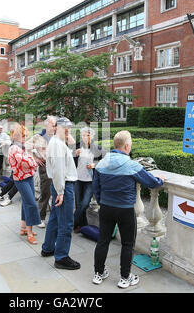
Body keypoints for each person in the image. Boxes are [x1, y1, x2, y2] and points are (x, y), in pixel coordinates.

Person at [92, 130, 164, 289]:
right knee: (127, 244)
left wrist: (102, 201)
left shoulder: (102, 163)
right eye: (129, 145)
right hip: (125, 209)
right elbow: (151, 183)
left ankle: (98, 273)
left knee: (102, 241)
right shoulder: (132, 165)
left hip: (106, 208)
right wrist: (160, 180)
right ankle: (125, 278)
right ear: (126, 146)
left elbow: (95, 187)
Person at [41, 117, 80, 270]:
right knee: (66, 223)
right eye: (66, 128)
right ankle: (62, 257)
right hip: (64, 186)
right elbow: (58, 171)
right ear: (58, 128)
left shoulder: (56, 143)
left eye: (69, 128)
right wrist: (61, 192)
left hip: (59, 185)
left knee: (56, 219)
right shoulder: (57, 144)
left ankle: (48, 248)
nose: (68, 130)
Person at [8, 124, 41, 245]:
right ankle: (30, 232)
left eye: (26, 135)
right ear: (16, 135)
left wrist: (32, 160)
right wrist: (32, 161)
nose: (25, 137)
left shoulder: (21, 147)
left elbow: (30, 160)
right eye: (23, 135)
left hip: (28, 177)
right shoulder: (14, 148)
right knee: (31, 204)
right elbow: (29, 162)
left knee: (26, 203)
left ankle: (23, 228)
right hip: (21, 179)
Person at [25, 116, 57, 229]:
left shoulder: (58, 137)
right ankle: (41, 218)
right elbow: (26, 147)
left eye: (55, 125)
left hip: (57, 166)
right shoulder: (38, 137)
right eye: (53, 125)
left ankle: (55, 218)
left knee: (57, 193)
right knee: (45, 192)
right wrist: (35, 158)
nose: (54, 127)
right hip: (45, 166)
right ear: (46, 125)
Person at [73, 127, 105, 233]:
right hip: (77, 178)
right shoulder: (77, 147)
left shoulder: (97, 149)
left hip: (90, 180)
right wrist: (74, 155)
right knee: (78, 204)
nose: (85, 137)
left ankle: (70, 222)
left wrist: (94, 165)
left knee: (85, 203)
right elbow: (69, 162)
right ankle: (82, 226)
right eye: (83, 135)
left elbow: (105, 161)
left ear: (92, 136)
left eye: (88, 135)